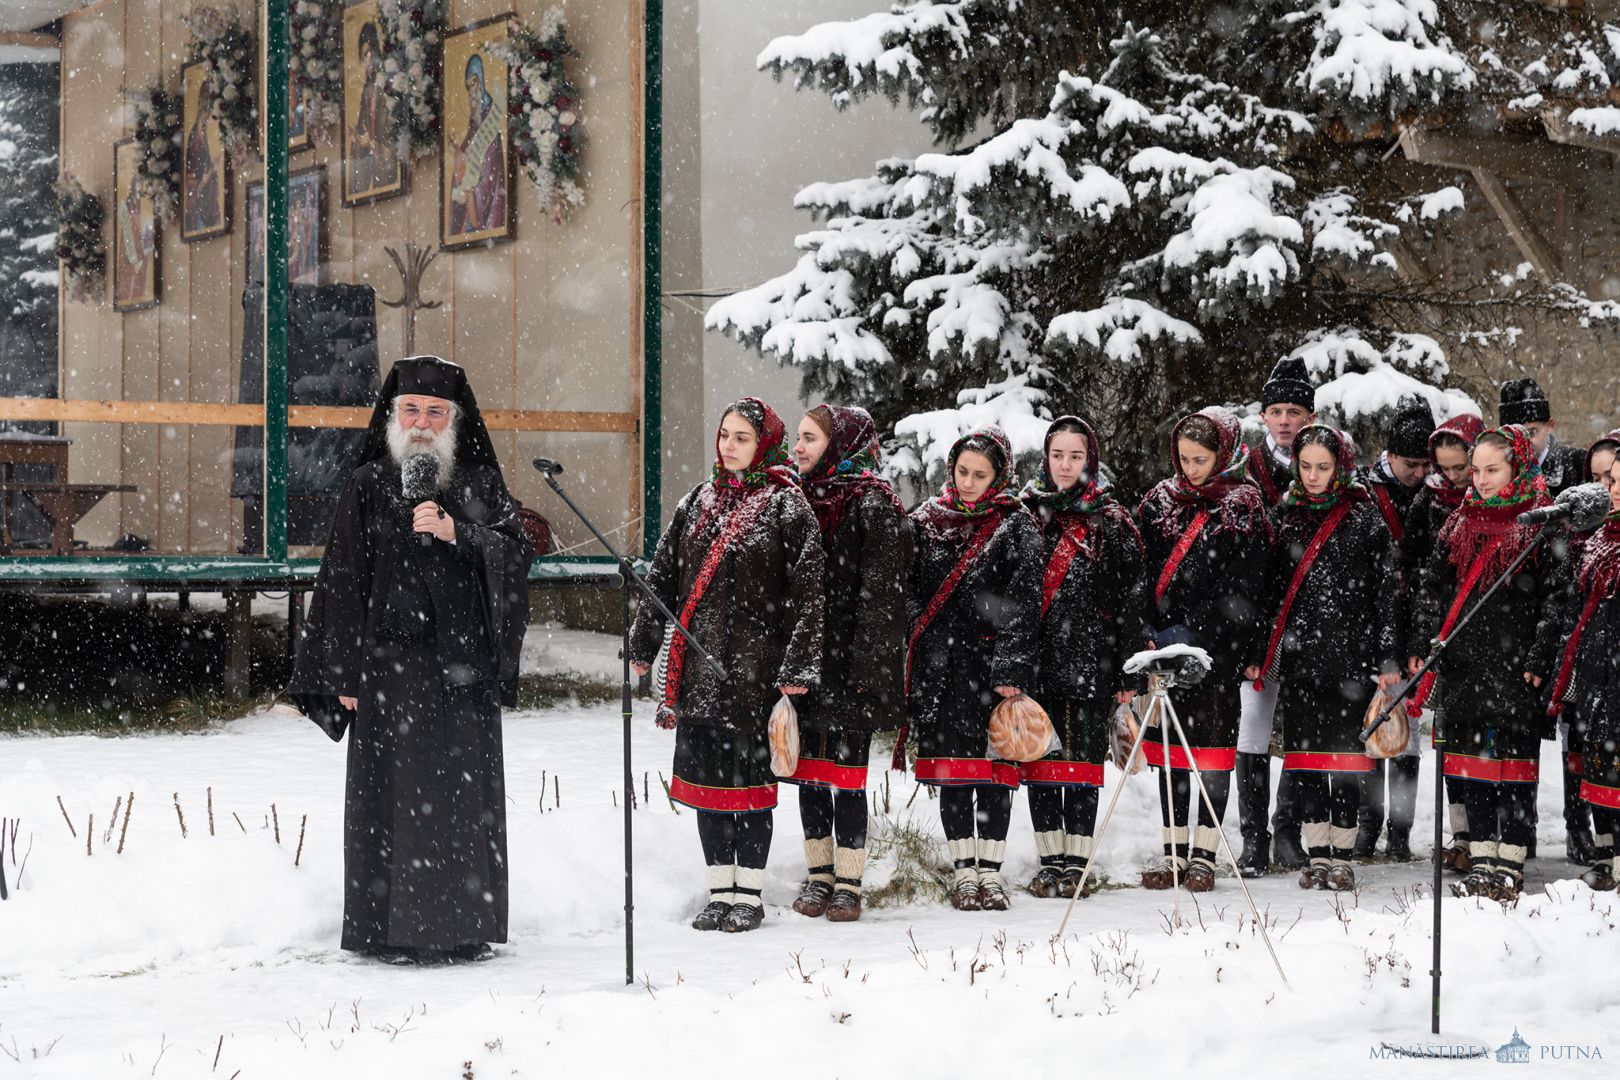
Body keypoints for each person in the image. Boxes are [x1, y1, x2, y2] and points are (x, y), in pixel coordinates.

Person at [289, 356, 534, 963]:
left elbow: (517, 556)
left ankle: (462, 927)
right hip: (388, 672)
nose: (422, 422)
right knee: (390, 804)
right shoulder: (369, 483)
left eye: (434, 411)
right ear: (394, 415)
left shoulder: (478, 485)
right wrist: (341, 673)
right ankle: (387, 931)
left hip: (461, 672)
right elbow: (343, 580)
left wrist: (461, 534)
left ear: (453, 420)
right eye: (411, 410)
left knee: (459, 801)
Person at [627, 398, 825, 934]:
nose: (730, 446)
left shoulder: (788, 506)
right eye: (724, 435)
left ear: (764, 443)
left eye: (742, 437)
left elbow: (809, 596)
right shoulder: (696, 502)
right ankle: (720, 890)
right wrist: (643, 644)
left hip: (756, 677)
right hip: (697, 673)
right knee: (709, 789)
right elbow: (661, 577)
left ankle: (750, 893)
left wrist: (797, 667)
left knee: (749, 788)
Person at [1409, 425, 1568, 902]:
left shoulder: (1543, 523)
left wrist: (1540, 655)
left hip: (1517, 667)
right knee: (1473, 767)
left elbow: (1556, 599)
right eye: (1475, 470)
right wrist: (1427, 637)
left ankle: (1511, 862)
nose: (1479, 479)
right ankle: (1481, 859)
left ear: (1517, 468)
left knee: (1515, 770)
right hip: (1466, 667)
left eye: (1491, 470)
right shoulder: (1459, 521)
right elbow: (1431, 586)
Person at [1246, 426, 1400, 891]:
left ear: (1341, 467)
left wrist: (1387, 655)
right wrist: (1259, 651)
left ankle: (1344, 855)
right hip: (1300, 659)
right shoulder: (1285, 516)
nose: (1313, 476)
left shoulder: (1365, 519)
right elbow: (1268, 594)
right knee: (1307, 760)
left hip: (1352, 662)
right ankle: (1317, 854)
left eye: (1323, 467)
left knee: (1348, 762)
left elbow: (1386, 596)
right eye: (1306, 466)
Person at [901, 425, 1041, 912]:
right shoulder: (926, 521)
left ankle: (991, 872)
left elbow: (1025, 602)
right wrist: (921, 624)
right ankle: (964, 873)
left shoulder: (1016, 525)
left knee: (996, 773)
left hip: (993, 670)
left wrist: (1011, 666)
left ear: (999, 475)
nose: (968, 482)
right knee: (957, 774)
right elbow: (910, 587)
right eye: (962, 471)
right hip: (944, 668)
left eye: (980, 474)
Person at [783, 405, 909, 923]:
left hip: (852, 667)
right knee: (810, 775)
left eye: (810, 438)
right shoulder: (794, 499)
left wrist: (866, 672)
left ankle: (849, 881)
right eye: (796, 438)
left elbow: (883, 599)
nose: (798, 447)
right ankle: (818, 876)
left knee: (848, 778)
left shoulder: (874, 505)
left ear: (841, 444)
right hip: (806, 663)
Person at [1137, 407, 1271, 890]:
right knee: (1172, 752)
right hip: (1166, 649)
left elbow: (1248, 587)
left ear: (1225, 453)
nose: (1191, 469)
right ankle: (1173, 854)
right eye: (1184, 458)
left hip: (1217, 651)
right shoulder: (1158, 501)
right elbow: (1144, 569)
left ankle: (1205, 855)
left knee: (1212, 753)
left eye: (1201, 458)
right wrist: (1153, 630)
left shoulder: (1245, 505)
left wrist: (1202, 638)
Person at [1019, 416, 1147, 899]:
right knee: (1042, 764)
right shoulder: (1027, 514)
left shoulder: (1110, 522)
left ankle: (1078, 862)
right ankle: (1049, 862)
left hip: (1092, 663)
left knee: (1081, 767)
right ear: (1046, 457)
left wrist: (1125, 668)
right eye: (1058, 455)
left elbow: (1130, 601)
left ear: (1090, 459)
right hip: (1038, 663)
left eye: (1076, 456)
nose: (1066, 465)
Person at [1237, 358, 1316, 875]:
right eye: (1275, 411)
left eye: (1293, 411)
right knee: (1253, 726)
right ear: (1263, 416)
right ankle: (1252, 838)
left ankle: (1289, 831)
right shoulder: (1245, 468)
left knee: (1304, 728)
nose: (1284, 421)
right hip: (1258, 615)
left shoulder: (1325, 461)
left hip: (1309, 612)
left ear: (1309, 415)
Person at [1353, 398, 1435, 860]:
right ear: (1390, 455)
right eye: (1411, 463)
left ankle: (1400, 830)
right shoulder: (1366, 489)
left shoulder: (1434, 490)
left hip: (1416, 621)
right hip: (1373, 618)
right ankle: (1368, 824)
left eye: (1426, 464)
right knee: (1374, 722)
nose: (1420, 473)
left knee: (1411, 729)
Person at [1548, 452, 1620, 891]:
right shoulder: (1599, 541)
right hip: (1599, 679)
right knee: (1601, 774)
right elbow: (1576, 613)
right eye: (1611, 481)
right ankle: (1608, 856)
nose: (1613, 489)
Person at [449, 54, 507, 237]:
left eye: (473, 83)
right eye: (467, 86)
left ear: (481, 81)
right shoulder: (474, 122)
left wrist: (470, 193)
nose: (471, 91)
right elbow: (466, 158)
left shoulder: (490, 121)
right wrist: (457, 152)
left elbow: (489, 171)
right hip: (470, 206)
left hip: (480, 209)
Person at [1499, 377, 1585, 497]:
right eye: (1514, 435)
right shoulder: (1495, 473)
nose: (1524, 442)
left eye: (1531, 432)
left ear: (1550, 425)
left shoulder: (1580, 465)